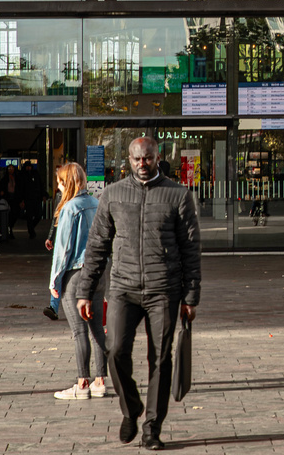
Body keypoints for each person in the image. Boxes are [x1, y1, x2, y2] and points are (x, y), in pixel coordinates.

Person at [76, 136, 201, 451]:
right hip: (123, 288)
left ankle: (152, 428)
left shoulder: (178, 195)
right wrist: (85, 291)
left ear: (157, 157)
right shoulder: (113, 195)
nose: (142, 164)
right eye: (136, 159)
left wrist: (191, 296)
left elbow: (191, 250)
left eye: (147, 158)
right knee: (115, 351)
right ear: (127, 161)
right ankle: (131, 408)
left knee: (160, 358)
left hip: (164, 290)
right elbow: (97, 246)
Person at [48, 161, 108, 401]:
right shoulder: (97, 203)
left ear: (66, 183)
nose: (58, 187)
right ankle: (100, 380)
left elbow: (62, 251)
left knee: (79, 331)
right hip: (99, 272)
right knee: (98, 329)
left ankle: (82, 382)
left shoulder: (70, 209)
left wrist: (54, 280)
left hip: (76, 274)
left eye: (60, 183)